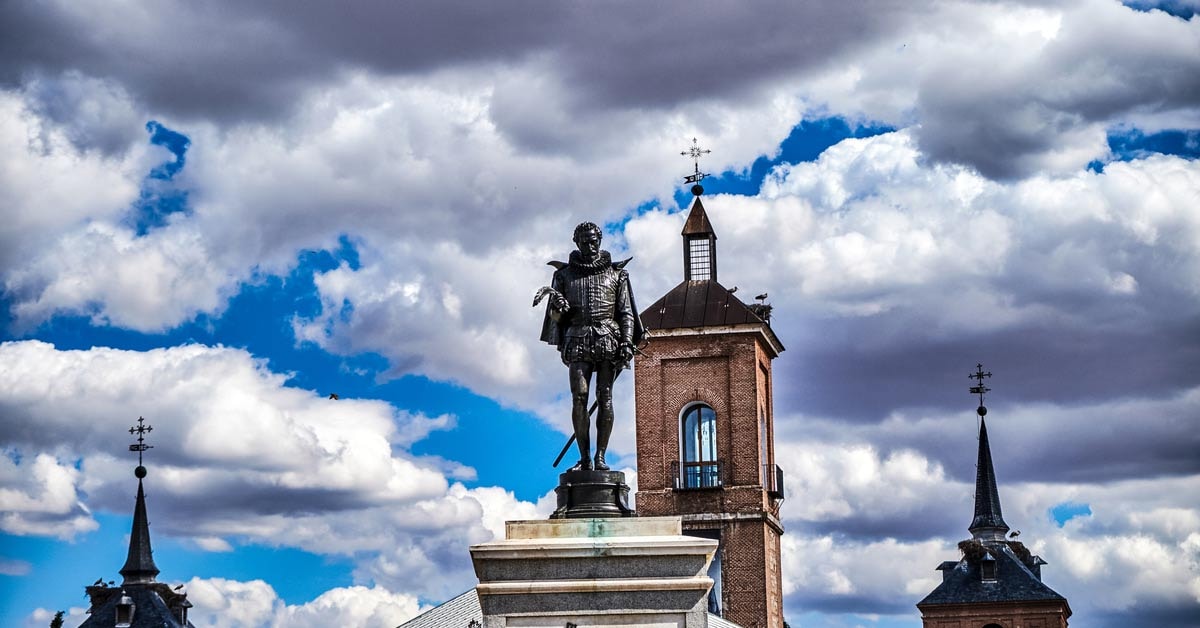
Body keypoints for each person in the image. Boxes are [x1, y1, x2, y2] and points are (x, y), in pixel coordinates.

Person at [538, 222, 642, 471]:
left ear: (600, 240)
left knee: (605, 396)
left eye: (593, 240)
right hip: (577, 339)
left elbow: (626, 313)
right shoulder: (563, 276)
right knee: (579, 397)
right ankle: (584, 457)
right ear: (577, 242)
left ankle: (601, 457)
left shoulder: (618, 275)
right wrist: (558, 310)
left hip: (608, 338)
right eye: (584, 241)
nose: (590, 245)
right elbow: (554, 318)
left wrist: (627, 341)